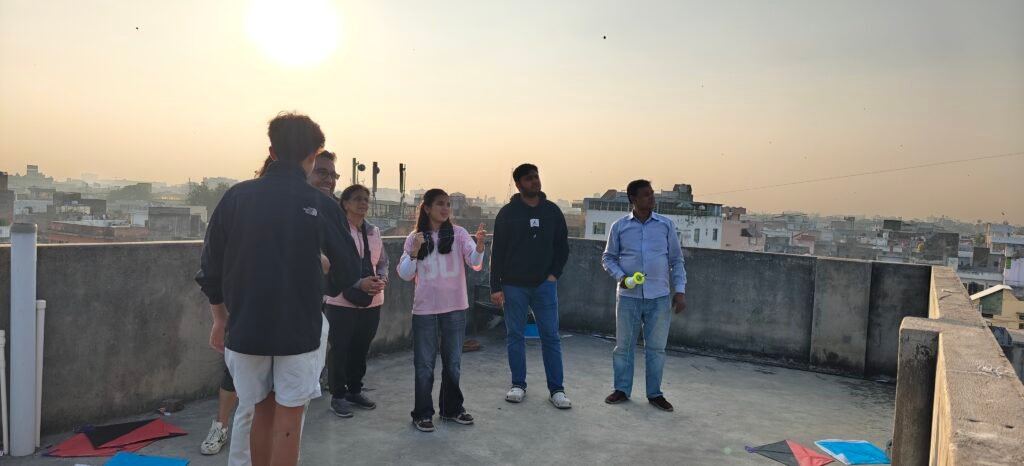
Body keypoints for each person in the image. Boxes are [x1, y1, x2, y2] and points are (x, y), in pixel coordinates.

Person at [196, 113, 370, 466]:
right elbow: (350, 269)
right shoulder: (320, 203)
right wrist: (319, 279)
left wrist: (220, 318)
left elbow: (210, 268)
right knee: (289, 416)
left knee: (258, 410)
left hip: (246, 327)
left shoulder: (237, 196)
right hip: (300, 328)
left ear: (272, 151)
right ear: (313, 155)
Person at [398, 189, 487, 432]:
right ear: (427, 208)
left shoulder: (458, 234)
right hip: (425, 309)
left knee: (453, 362)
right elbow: (405, 274)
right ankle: (422, 413)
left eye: (448, 204)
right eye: (440, 204)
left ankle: (451, 409)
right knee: (424, 364)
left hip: (455, 307)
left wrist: (480, 246)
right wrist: (415, 250)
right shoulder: (415, 237)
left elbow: (474, 262)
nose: (445, 208)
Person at [489, 164, 571, 409]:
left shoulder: (552, 212)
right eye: (529, 179)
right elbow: (498, 252)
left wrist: (554, 275)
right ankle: (518, 385)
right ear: (518, 184)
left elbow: (562, 247)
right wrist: (495, 287)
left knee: (551, 337)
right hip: (513, 285)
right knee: (515, 335)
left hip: (544, 285)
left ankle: (557, 390)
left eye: (536, 177)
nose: (535, 181)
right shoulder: (508, 213)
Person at [600, 179, 687, 412]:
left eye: (652, 194)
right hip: (629, 297)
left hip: (659, 296)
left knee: (656, 349)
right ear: (633, 199)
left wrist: (680, 290)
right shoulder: (620, 226)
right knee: (623, 347)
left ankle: (655, 394)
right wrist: (622, 277)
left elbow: (676, 260)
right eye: (646, 195)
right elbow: (608, 258)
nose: (651, 198)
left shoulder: (665, 225)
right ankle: (621, 389)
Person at [324, 184, 388, 418]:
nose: (363, 203)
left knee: (361, 348)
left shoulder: (373, 231)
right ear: (345, 203)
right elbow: (331, 267)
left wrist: (382, 279)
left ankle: (354, 390)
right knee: (340, 349)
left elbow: (382, 262)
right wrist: (357, 283)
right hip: (341, 301)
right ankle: (338, 395)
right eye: (357, 199)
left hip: (372, 300)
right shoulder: (336, 231)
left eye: (366, 199)